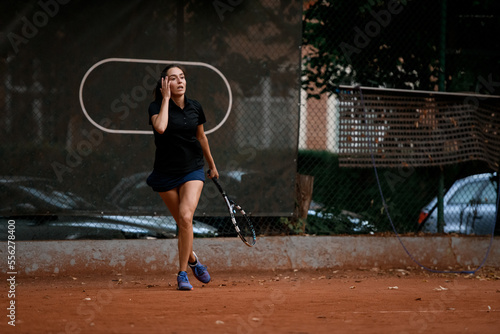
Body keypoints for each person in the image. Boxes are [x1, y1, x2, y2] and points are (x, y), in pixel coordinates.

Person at [146, 64, 219, 290]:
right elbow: (160, 127)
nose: (180, 81)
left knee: (186, 218)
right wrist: (166, 99)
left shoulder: (195, 107)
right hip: (165, 173)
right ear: (164, 84)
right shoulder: (156, 106)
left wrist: (212, 165)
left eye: (183, 77)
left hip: (193, 169)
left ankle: (182, 274)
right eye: (174, 78)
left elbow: (201, 137)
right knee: (182, 223)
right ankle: (194, 260)